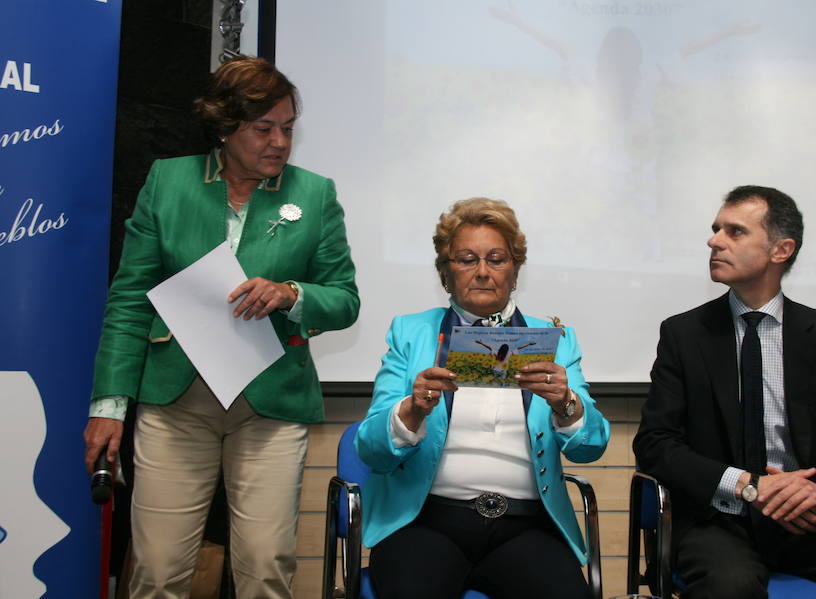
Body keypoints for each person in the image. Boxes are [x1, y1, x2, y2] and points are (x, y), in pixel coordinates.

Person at [82, 57, 359, 598]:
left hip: (270, 405)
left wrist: (292, 294)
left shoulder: (315, 194)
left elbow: (344, 301)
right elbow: (130, 301)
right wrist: (109, 406)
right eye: (263, 128)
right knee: (157, 569)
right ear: (225, 128)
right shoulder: (168, 181)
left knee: (265, 567)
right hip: (176, 404)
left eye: (288, 128)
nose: (280, 142)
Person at [633, 185, 816, 598]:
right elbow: (655, 443)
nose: (714, 241)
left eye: (735, 231)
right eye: (716, 229)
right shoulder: (684, 335)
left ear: (781, 250)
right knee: (732, 588)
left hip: (806, 517)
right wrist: (747, 485)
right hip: (718, 521)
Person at [355, 198, 609, 599]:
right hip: (426, 522)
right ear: (445, 273)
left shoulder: (554, 340)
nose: (483, 272)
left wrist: (566, 403)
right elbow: (373, 452)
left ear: (515, 270)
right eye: (466, 260)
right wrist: (412, 411)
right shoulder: (410, 333)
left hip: (527, 526)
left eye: (496, 259)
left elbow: (590, 448)